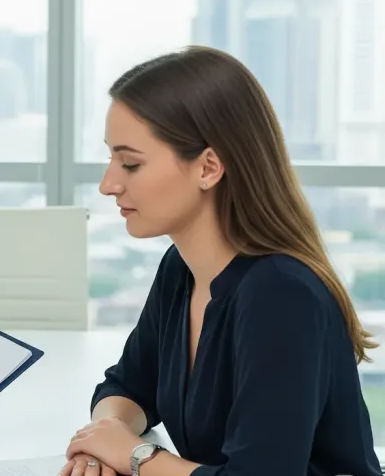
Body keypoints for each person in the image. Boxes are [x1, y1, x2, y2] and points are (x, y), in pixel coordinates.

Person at [58, 46, 382, 476]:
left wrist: (134, 456)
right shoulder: (181, 268)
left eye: (130, 163)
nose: (107, 184)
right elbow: (129, 384)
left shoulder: (281, 294)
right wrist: (102, 436)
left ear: (208, 167)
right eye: (111, 158)